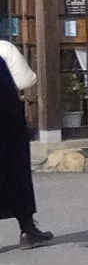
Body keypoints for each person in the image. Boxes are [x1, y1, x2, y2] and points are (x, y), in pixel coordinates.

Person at [0, 35, 53, 249]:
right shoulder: (3, 48)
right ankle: (27, 231)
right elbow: (26, 80)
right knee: (16, 174)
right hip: (6, 122)